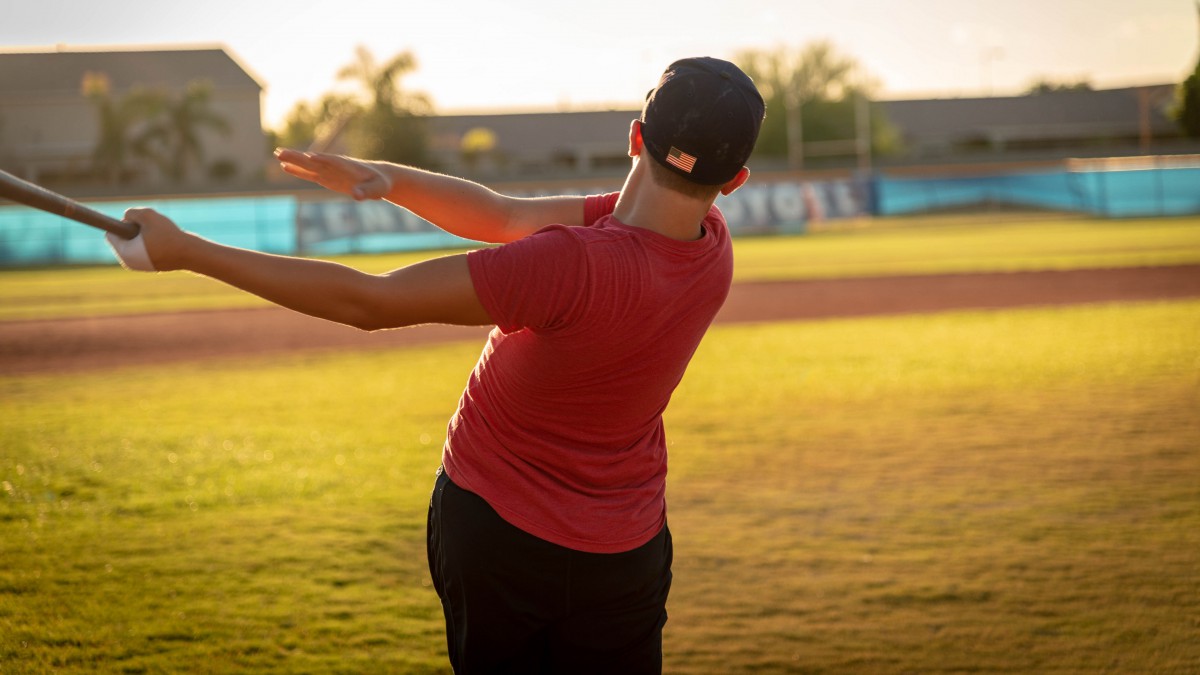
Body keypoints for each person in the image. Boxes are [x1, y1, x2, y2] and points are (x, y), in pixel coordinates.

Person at [108, 56, 764, 674]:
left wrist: (188, 251)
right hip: (626, 552)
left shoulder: (570, 263)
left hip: (499, 534)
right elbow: (503, 215)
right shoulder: (713, 250)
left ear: (633, 136)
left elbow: (371, 300)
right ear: (734, 181)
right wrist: (388, 179)